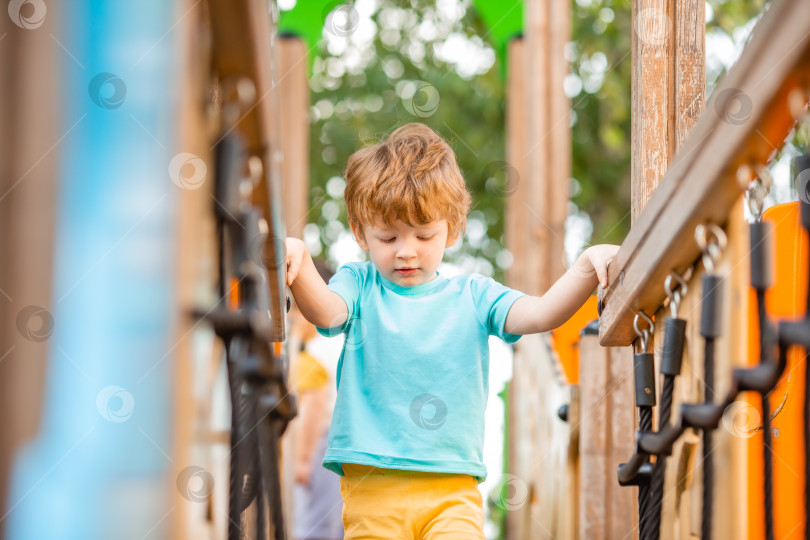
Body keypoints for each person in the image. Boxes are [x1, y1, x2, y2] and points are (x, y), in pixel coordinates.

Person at [284, 123, 619, 539]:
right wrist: (298, 263)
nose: (406, 250)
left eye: (424, 235)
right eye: (387, 237)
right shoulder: (359, 283)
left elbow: (541, 314)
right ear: (360, 232)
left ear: (453, 229)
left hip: (452, 486)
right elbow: (327, 315)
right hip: (372, 484)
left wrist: (587, 267)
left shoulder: (474, 295)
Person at [289, 260, 344, 540]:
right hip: (348, 446)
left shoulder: (311, 354)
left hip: (322, 446)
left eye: (296, 308)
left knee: (315, 522)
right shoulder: (340, 345)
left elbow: (314, 405)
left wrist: (301, 459)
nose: (292, 318)